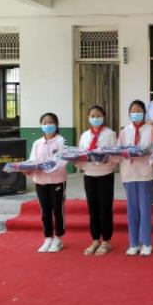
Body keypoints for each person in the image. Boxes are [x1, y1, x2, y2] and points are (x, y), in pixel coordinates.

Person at [118, 100, 153, 256]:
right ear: (129, 114)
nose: (136, 114)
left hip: (145, 173)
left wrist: (147, 153)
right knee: (132, 211)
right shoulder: (124, 131)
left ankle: (146, 242)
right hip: (129, 173)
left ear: (144, 113)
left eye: (139, 111)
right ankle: (134, 243)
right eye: (133, 111)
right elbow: (118, 151)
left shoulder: (151, 129)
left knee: (145, 209)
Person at [77, 105, 117, 256]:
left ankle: (106, 241)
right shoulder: (85, 135)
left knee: (105, 209)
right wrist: (76, 161)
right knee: (93, 209)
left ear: (103, 117)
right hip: (89, 175)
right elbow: (80, 154)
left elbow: (116, 155)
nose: (95, 118)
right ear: (88, 117)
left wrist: (106, 159)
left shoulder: (110, 134)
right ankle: (95, 240)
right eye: (92, 115)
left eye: (98, 115)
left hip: (105, 174)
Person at [28, 113, 68, 253]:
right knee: (45, 211)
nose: (48, 125)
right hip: (40, 181)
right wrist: (29, 169)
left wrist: (49, 168)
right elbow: (32, 160)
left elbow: (63, 159)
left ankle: (58, 238)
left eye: (50, 123)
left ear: (56, 124)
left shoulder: (61, 140)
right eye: (44, 123)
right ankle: (48, 237)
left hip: (57, 180)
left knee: (58, 210)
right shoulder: (37, 143)